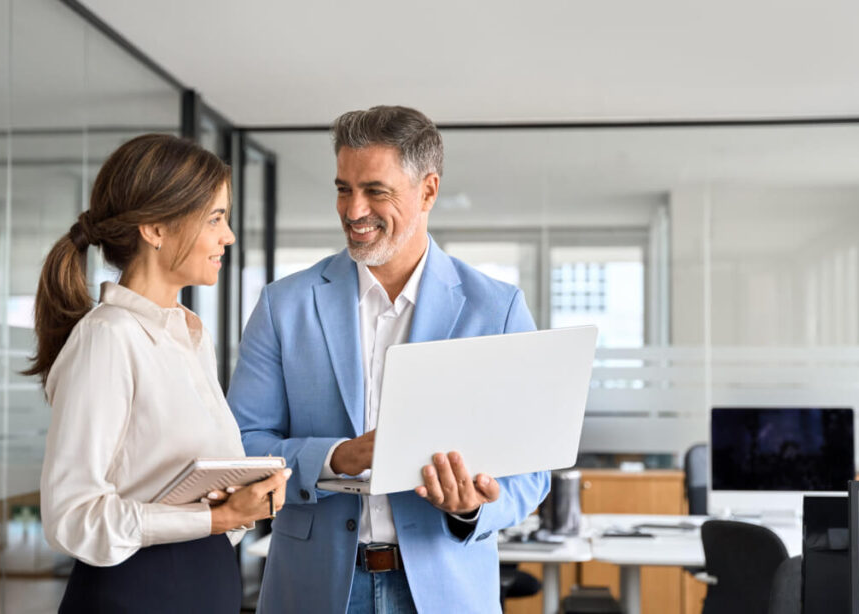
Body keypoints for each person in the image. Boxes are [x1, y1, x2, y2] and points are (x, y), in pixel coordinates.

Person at [228, 106, 550, 613]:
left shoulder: (497, 307)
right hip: (313, 589)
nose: (353, 211)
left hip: (444, 589)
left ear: (428, 190)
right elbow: (243, 448)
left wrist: (471, 509)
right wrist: (336, 457)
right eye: (342, 189)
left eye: (375, 191)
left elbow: (532, 471)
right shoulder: (283, 304)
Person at [28, 134, 289, 613]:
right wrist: (213, 519)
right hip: (137, 594)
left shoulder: (190, 334)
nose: (227, 236)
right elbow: (71, 517)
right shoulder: (108, 337)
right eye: (215, 218)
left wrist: (238, 504)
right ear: (154, 228)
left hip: (203, 582)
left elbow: (185, 485)